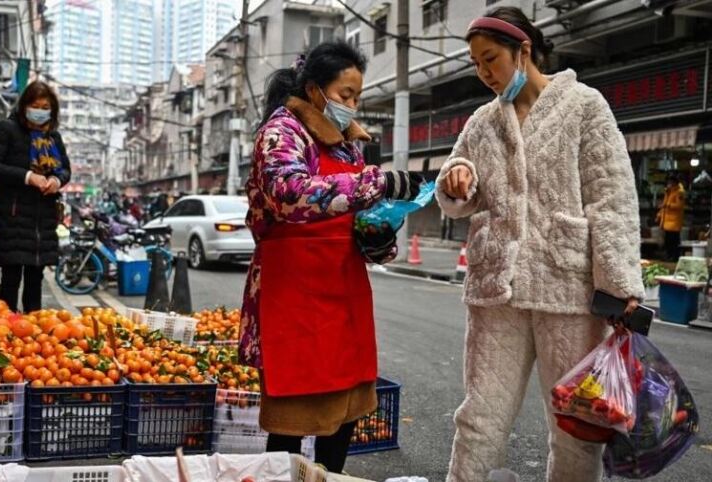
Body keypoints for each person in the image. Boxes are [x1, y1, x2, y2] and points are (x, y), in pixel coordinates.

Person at [436, 8, 644, 481]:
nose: (484, 73)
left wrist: (619, 284)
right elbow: (454, 190)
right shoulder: (482, 122)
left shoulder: (584, 105)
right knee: (480, 417)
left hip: (568, 289)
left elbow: (611, 196)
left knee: (576, 424)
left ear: (523, 50)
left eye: (490, 59)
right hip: (497, 289)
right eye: (476, 63)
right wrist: (457, 181)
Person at [238, 40, 424, 473]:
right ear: (315, 89)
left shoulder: (346, 146)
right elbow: (288, 194)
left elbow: (359, 212)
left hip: (343, 288)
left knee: (343, 412)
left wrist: (377, 236)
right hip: (294, 292)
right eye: (345, 95)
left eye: (358, 97)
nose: (352, 105)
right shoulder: (280, 132)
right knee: (292, 416)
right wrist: (375, 184)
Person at [0, 80, 71, 313]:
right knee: (11, 277)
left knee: (36, 278)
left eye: (45, 107)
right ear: (24, 106)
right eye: (35, 105)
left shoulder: (54, 137)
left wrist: (56, 181)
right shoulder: (7, 129)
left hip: (43, 218)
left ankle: (33, 334)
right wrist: (27, 176)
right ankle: (5, 329)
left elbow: (64, 170)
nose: (40, 111)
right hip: (13, 215)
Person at [657, 173, 686, 261]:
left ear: (675, 182)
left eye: (671, 181)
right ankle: (669, 256)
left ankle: (674, 257)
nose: (669, 183)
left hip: (674, 221)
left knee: (674, 241)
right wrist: (659, 215)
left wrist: (668, 205)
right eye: (668, 181)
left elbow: (679, 205)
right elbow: (664, 205)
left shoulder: (679, 192)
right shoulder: (668, 191)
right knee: (668, 241)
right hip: (667, 221)